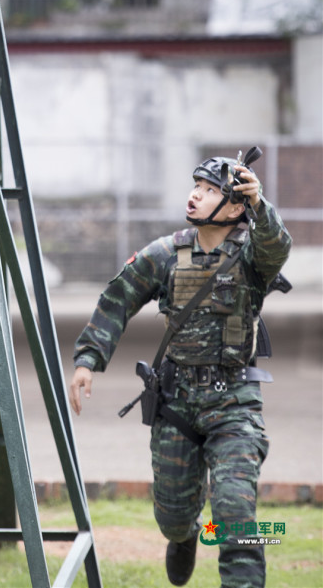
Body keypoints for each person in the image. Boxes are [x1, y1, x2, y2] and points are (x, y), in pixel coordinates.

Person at [68, 151, 292, 588]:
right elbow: (119, 297)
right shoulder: (166, 253)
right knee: (172, 515)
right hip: (178, 402)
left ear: (232, 207)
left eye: (210, 190)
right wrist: (87, 360)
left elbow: (277, 244)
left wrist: (260, 205)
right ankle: (186, 535)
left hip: (234, 404)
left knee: (235, 513)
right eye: (196, 186)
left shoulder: (252, 256)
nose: (195, 195)